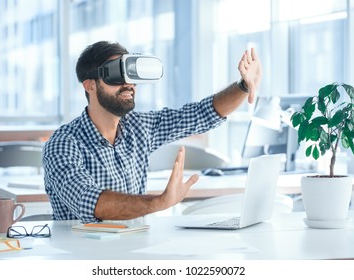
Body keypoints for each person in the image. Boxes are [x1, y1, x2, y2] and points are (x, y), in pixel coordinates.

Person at [43, 41, 262, 223]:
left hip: (135, 249)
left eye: (131, 74)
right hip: (81, 256)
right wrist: (159, 202)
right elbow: (87, 201)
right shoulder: (64, 144)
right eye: (116, 75)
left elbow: (201, 114)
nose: (129, 84)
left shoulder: (139, 127)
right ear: (89, 85)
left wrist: (243, 86)